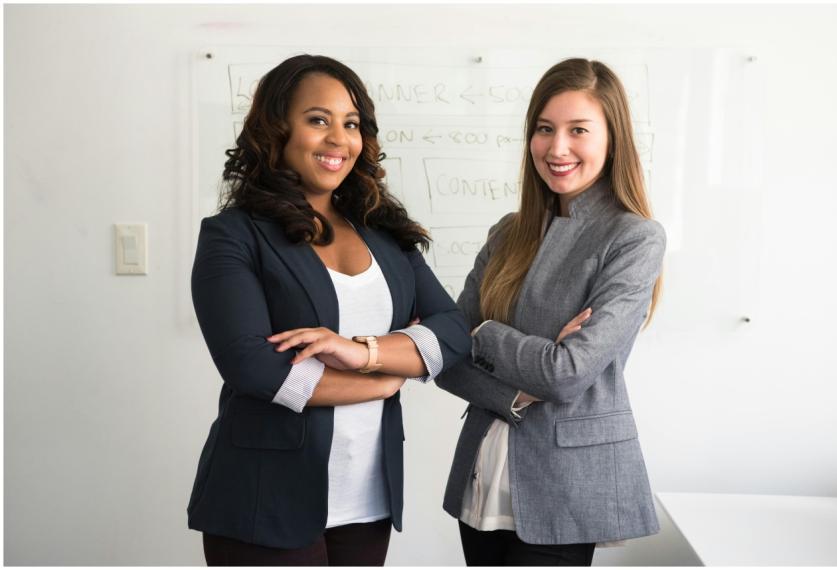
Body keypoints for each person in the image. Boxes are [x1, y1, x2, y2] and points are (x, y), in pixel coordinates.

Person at [187, 54, 470, 566]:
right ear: (276, 130)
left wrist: (360, 353)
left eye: (351, 123)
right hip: (264, 498)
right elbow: (253, 367)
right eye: (318, 119)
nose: (339, 138)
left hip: (367, 499)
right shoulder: (233, 235)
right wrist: (383, 379)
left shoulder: (385, 233)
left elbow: (452, 332)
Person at [435, 58, 665, 566]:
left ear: (613, 138)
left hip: (566, 483)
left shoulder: (633, 238)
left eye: (578, 130)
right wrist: (514, 391)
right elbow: (447, 357)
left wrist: (485, 332)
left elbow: (566, 374)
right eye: (544, 129)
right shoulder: (507, 232)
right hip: (483, 471)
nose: (556, 148)